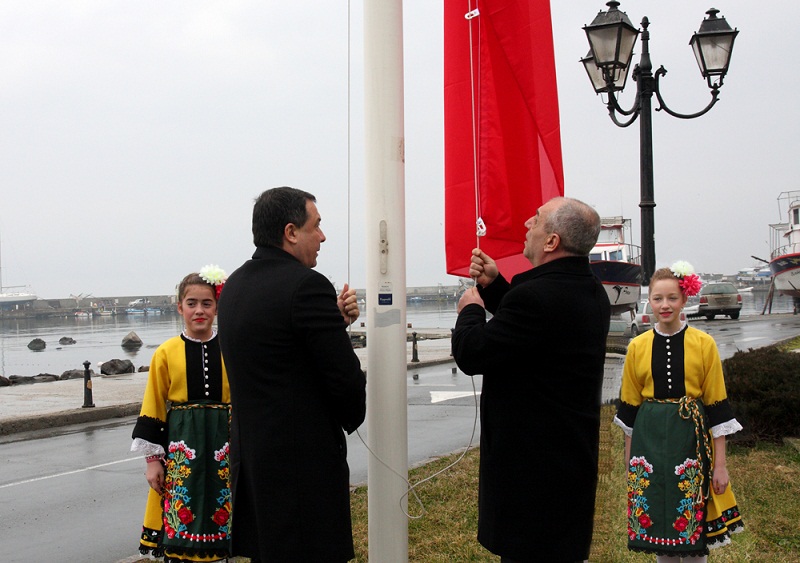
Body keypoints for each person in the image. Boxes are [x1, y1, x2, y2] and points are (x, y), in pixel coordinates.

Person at [452, 196, 611, 562]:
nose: (527, 223)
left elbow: (473, 352)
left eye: (536, 220)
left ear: (552, 241)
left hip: (532, 476)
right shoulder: (590, 291)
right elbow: (536, 332)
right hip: (567, 465)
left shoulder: (537, 298)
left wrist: (471, 309)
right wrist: (494, 286)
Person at [217, 186, 367, 562]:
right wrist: (353, 414)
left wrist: (332, 322)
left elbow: (279, 353)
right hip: (303, 471)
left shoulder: (234, 286)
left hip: (254, 466)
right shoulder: (306, 285)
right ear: (290, 232)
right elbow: (343, 378)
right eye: (316, 226)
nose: (323, 236)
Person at [614, 262, 744, 561]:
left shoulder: (704, 344)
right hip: (649, 444)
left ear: (685, 299)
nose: (664, 305)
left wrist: (720, 465)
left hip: (691, 444)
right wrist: (629, 463)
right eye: (657, 298)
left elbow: (717, 410)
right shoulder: (637, 347)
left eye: (672, 297)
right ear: (650, 301)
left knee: (692, 520)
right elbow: (630, 412)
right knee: (658, 520)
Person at [130, 266, 232, 562]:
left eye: (207, 303)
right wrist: (152, 461)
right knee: (179, 526)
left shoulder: (231, 348)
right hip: (180, 456)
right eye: (192, 304)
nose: (199, 310)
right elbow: (153, 406)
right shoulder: (166, 352)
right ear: (180, 308)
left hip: (222, 453)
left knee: (221, 522)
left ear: (216, 307)